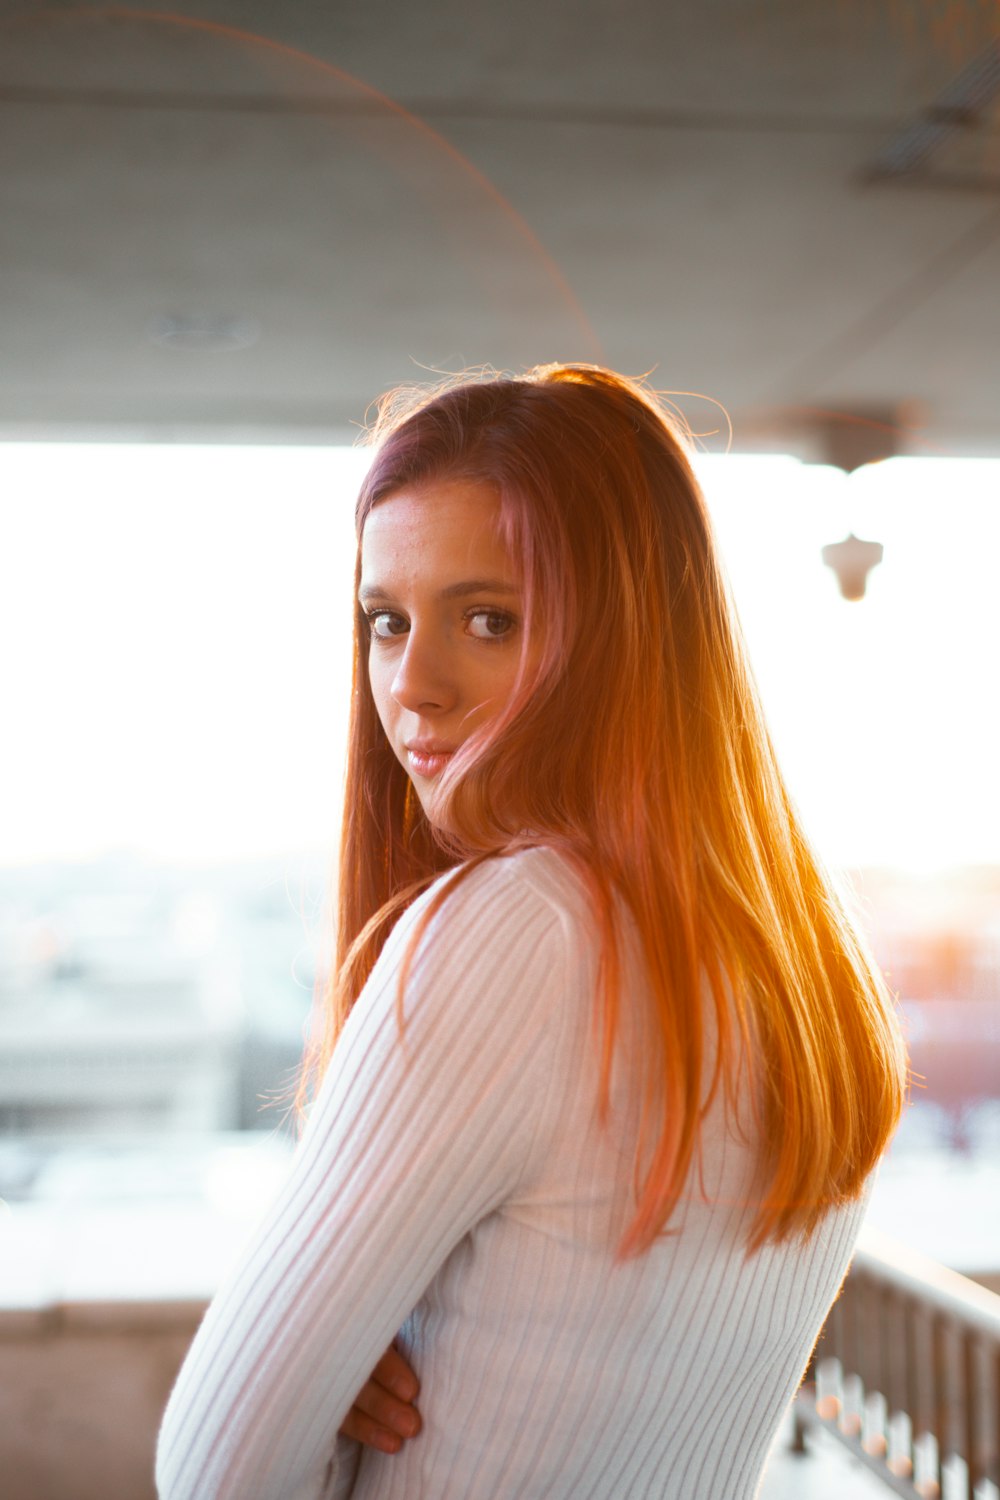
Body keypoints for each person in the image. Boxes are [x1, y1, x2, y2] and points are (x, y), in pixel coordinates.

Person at [155, 364, 907, 1500]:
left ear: (624, 634)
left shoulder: (519, 929)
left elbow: (213, 1470)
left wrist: (309, 1377)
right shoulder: (800, 952)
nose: (413, 684)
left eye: (490, 619)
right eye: (385, 620)